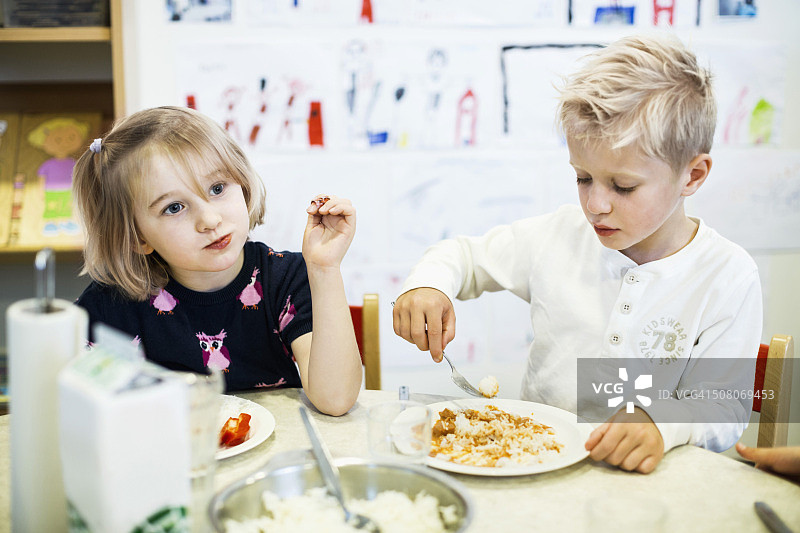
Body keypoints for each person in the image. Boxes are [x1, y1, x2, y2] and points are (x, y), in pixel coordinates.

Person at [392, 34, 762, 473]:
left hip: (655, 486)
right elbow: (464, 257)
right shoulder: (559, 235)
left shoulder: (727, 275)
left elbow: (723, 407)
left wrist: (663, 423)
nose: (595, 204)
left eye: (622, 186)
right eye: (583, 178)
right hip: (537, 465)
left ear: (693, 175)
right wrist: (428, 284)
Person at [72, 106, 361, 416]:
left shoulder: (286, 278)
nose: (209, 220)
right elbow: (85, 419)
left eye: (217, 188)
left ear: (243, 185)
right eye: (174, 208)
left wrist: (324, 269)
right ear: (137, 237)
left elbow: (335, 400)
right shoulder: (109, 307)